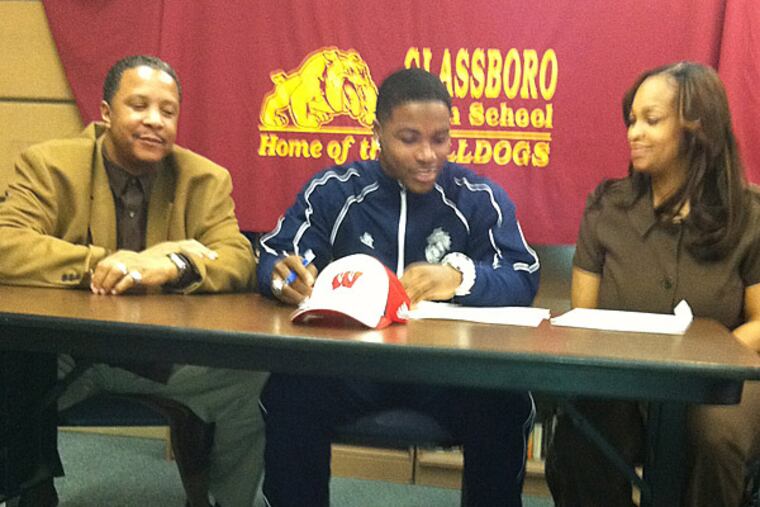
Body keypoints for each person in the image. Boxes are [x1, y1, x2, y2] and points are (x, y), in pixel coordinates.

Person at [256, 67, 540, 506]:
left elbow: (522, 275)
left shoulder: (477, 197)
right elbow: (277, 255)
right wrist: (282, 277)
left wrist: (462, 277)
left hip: (446, 372)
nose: (428, 154)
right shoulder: (334, 191)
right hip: (351, 366)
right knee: (288, 394)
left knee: (506, 403)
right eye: (409, 139)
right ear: (377, 133)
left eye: (440, 138)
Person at [0, 55, 268, 507]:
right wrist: (109, 264)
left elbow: (239, 259)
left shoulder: (204, 179)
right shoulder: (49, 165)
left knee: (251, 377)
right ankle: (30, 489)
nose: (154, 121)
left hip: (165, 359)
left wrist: (175, 267)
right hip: (67, 359)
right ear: (105, 114)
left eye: (167, 111)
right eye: (139, 106)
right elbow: (6, 242)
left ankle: (230, 501)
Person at [544, 61, 760, 507]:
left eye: (651, 120)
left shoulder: (749, 214)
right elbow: (585, 318)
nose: (633, 132)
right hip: (624, 376)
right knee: (580, 434)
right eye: (632, 120)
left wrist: (708, 363)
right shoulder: (608, 207)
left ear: (696, 127)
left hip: (718, 383)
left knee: (716, 437)